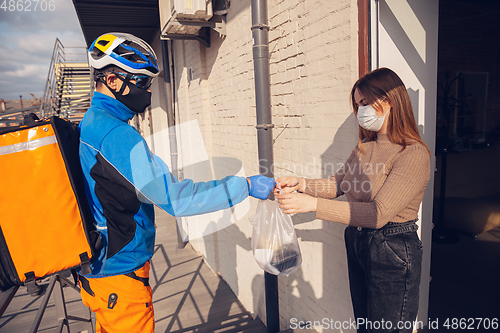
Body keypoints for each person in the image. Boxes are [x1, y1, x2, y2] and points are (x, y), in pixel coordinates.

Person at [78, 32, 274, 333]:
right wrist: (244, 185)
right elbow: (177, 199)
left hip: (101, 273)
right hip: (121, 276)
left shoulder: (90, 124)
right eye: (141, 82)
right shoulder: (115, 135)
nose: (147, 91)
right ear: (113, 80)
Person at [276, 68, 431, 333]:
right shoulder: (364, 147)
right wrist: (302, 183)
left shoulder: (412, 153)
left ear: (390, 101)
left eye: (366, 103)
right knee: (365, 325)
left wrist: (312, 206)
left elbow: (378, 214)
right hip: (359, 241)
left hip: (392, 247)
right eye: (358, 104)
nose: (361, 111)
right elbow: (338, 184)